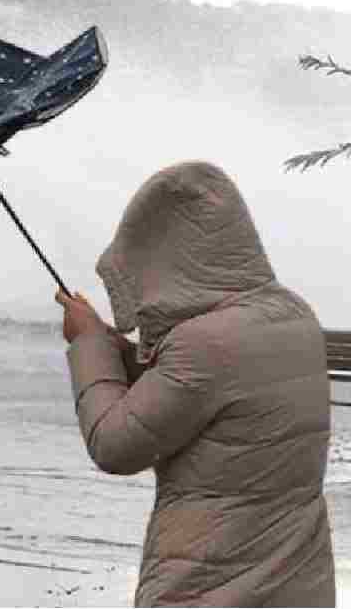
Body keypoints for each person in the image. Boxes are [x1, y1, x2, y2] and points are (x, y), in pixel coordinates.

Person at [55, 161, 335, 606]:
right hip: (295, 581)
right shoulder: (292, 314)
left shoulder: (203, 344)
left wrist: (89, 344)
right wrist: (113, 347)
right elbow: (201, 394)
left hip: (210, 584)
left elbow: (115, 445)